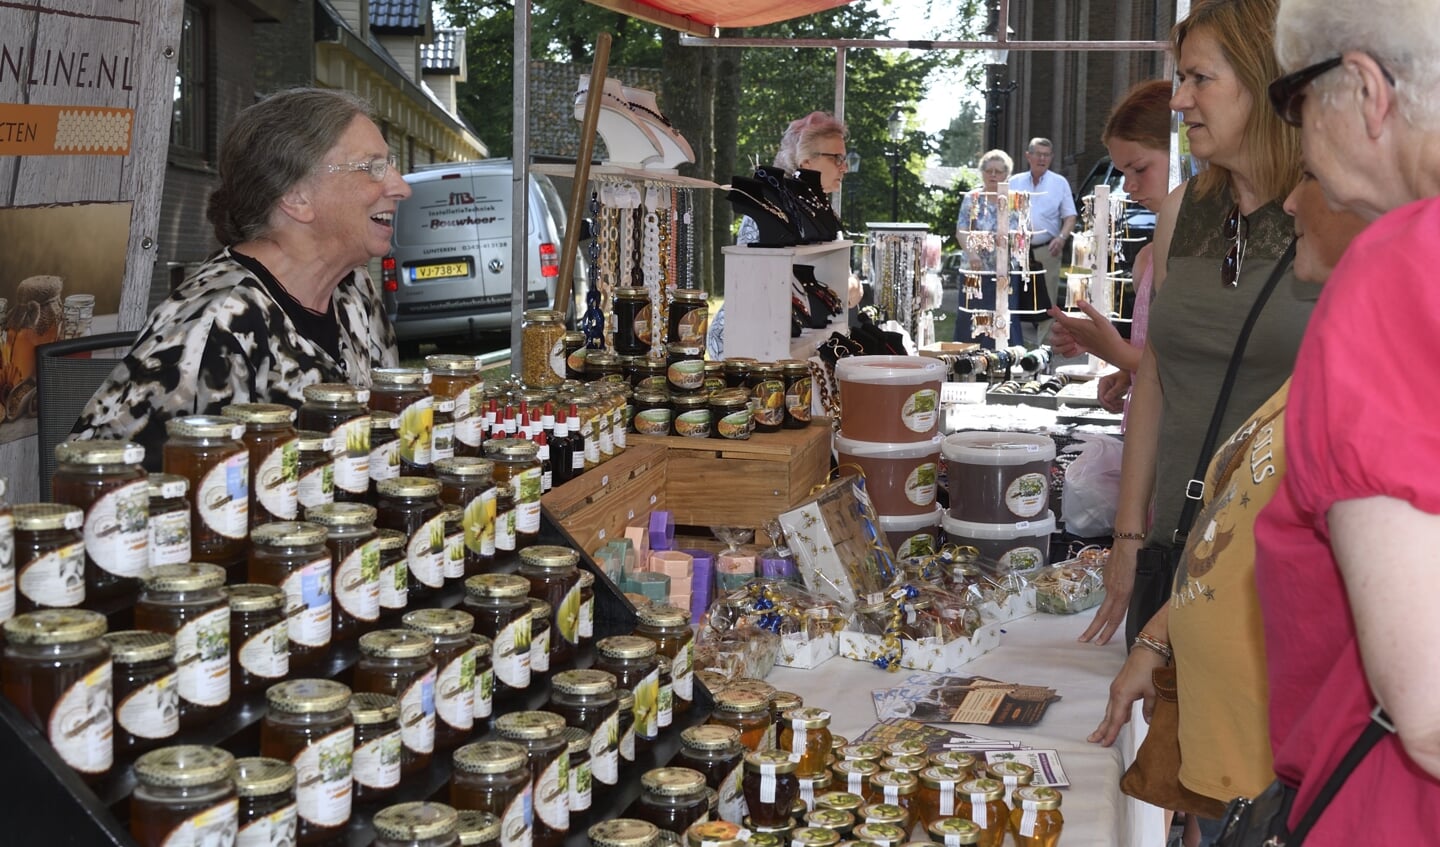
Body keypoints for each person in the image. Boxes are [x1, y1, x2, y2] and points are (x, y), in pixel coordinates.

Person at [1089, 170, 1366, 847]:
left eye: (1318, 183)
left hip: (1278, 770)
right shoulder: (1323, 368)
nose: (1293, 202)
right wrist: (1160, 634)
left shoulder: (1368, 381)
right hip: (1232, 761)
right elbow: (1239, 529)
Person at [1254, 1, 1440, 840]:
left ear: (1364, 88)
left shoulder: (1401, 268)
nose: (1297, 143)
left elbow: (1429, 713)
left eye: (1293, 102)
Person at [1078, 0, 1316, 653]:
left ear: (1262, 79)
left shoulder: (1323, 215)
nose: (1179, 101)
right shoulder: (1186, 210)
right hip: (1172, 544)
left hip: (1267, 569)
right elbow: (1156, 371)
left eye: (1198, 79)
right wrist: (1129, 535)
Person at [71, 88, 405, 468]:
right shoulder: (211, 323)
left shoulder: (353, 289)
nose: (401, 187)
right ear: (297, 197)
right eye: (374, 168)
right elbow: (103, 486)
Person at [1046, 80, 1172, 419]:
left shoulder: (1195, 254)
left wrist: (1118, 354)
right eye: (1123, 173)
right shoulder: (1151, 254)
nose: (1129, 187)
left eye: (1140, 169)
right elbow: (1160, 358)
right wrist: (1126, 373)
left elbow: (1194, 368)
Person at [710, 111, 858, 358]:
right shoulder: (770, 210)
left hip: (793, 340)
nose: (845, 167)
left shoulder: (820, 214)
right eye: (837, 158)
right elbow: (760, 291)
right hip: (749, 344)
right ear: (805, 162)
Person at [952, 149, 1024, 348]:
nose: (993, 175)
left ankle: (1005, 357)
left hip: (1005, 271)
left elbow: (1022, 232)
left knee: (1004, 316)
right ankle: (968, 360)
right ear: (982, 172)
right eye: (989, 170)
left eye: (999, 171)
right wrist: (973, 254)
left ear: (1006, 175)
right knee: (972, 318)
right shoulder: (972, 198)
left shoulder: (1016, 200)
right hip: (975, 271)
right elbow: (962, 230)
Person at [1007, 137, 1077, 336]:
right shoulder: (1014, 182)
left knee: (1047, 302)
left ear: (1051, 158)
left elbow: (1070, 216)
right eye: (1038, 154)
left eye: (1047, 155)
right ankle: (1014, 344)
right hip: (1016, 251)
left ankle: (1042, 351)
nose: (1042, 159)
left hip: (1047, 249)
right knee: (1014, 297)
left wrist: (1062, 238)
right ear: (1028, 156)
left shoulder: (1059, 183)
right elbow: (1002, 214)